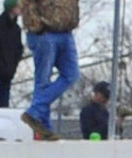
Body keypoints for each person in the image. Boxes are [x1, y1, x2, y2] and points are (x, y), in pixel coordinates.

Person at [19, 0, 82, 140]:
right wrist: (37, 25)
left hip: (65, 31)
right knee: (43, 80)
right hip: (45, 32)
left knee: (72, 74)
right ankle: (44, 127)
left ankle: (35, 112)